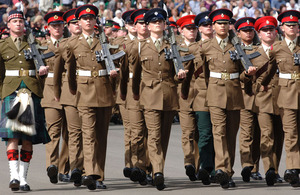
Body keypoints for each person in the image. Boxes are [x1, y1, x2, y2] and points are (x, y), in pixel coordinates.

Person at [131, 8, 188, 190]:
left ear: (165, 24)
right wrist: (135, 94)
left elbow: (179, 68)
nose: (157, 24)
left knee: (163, 137)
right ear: (147, 25)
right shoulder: (140, 46)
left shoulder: (172, 46)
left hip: (169, 95)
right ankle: (158, 172)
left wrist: (181, 73)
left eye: (160, 21)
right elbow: (135, 73)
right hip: (149, 96)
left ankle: (150, 166)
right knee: (154, 135)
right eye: (154, 22)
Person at [66, 4, 121, 190]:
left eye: (91, 18)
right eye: (84, 19)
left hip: (104, 91)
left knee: (101, 137)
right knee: (88, 134)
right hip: (84, 93)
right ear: (79, 22)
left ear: (95, 21)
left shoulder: (104, 42)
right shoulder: (72, 44)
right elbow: (69, 72)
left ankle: (99, 175)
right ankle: (90, 173)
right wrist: (74, 91)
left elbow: (115, 67)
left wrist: (115, 79)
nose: (88, 21)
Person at [201, 8, 256, 188]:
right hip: (215, 93)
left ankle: (228, 171)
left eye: (226, 23)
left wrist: (247, 75)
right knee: (219, 132)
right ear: (213, 26)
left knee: (231, 135)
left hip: (234, 93)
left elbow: (241, 74)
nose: (223, 26)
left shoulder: (237, 46)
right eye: (219, 23)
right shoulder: (206, 47)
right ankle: (221, 170)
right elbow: (205, 74)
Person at [0, 10, 50, 191]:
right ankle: (13, 177)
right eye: (15, 21)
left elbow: (41, 68)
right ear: (9, 25)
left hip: (31, 91)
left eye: (21, 21)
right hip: (11, 91)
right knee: (12, 136)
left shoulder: (34, 44)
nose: (19, 24)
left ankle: (23, 179)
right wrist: (2, 94)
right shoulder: (2, 45)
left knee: (27, 138)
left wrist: (43, 71)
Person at [266, 10, 300, 187]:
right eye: (289, 25)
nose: (292, 28)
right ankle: (293, 169)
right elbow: (270, 71)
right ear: (282, 28)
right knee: (291, 133)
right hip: (286, 95)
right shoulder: (277, 48)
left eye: (295, 25)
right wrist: (259, 84)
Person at [53, 8, 84, 187]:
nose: (77, 25)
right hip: (70, 92)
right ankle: (68, 168)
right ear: (69, 26)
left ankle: (78, 168)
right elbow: (58, 72)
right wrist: (57, 93)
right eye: (73, 23)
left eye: (78, 22)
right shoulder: (64, 44)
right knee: (72, 133)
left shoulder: (93, 42)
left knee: (81, 132)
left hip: (89, 90)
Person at [42, 11, 70, 185]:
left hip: (68, 90)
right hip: (50, 92)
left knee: (69, 133)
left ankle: (64, 169)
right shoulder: (42, 47)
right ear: (48, 28)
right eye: (54, 26)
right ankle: (51, 166)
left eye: (60, 25)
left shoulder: (69, 44)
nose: (57, 28)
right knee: (53, 132)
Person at [234, 17, 262, 182]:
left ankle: (255, 168)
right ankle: (246, 165)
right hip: (243, 94)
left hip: (260, 95)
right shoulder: (234, 50)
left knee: (258, 133)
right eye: (245, 31)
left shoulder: (261, 49)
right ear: (238, 33)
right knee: (246, 132)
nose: (248, 33)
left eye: (251, 30)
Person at [192, 11, 215, 185]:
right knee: (206, 134)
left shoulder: (226, 47)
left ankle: (221, 168)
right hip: (202, 96)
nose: (208, 28)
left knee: (221, 135)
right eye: (205, 25)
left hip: (222, 95)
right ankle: (207, 168)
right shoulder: (194, 49)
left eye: (210, 25)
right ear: (199, 28)